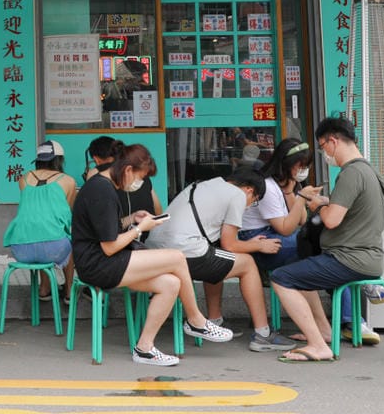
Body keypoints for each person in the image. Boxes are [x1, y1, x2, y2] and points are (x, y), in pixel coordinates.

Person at [72, 143, 233, 367]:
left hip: (106, 260)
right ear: (128, 170)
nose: (138, 184)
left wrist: (132, 220)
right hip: (98, 264)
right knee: (176, 257)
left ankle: (145, 348)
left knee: (170, 283)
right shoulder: (102, 191)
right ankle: (196, 320)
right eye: (140, 177)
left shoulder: (102, 186)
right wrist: (140, 229)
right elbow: (109, 246)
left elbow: (106, 229)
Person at [270, 117, 384, 363]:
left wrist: (316, 205)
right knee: (302, 269)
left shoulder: (350, 173)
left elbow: (333, 220)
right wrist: (327, 202)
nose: (325, 153)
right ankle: (325, 331)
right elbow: (351, 210)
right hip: (368, 257)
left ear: (332, 141)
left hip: (347, 259)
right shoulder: (369, 171)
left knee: (281, 278)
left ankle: (318, 345)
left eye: (323, 146)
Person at [145, 168, 295, 352]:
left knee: (216, 257)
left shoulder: (199, 184)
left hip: (154, 252)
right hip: (186, 252)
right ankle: (263, 335)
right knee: (247, 263)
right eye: (254, 201)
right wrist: (259, 246)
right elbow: (230, 244)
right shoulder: (237, 195)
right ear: (248, 190)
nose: (250, 205)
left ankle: (215, 320)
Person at [3, 139, 77, 301]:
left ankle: (44, 288)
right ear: (59, 160)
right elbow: (68, 215)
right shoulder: (68, 181)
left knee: (39, 230)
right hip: (53, 249)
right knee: (64, 237)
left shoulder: (24, 179)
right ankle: (69, 291)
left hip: (20, 249)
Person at [239, 138, 312, 275]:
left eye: (306, 166)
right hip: (258, 240)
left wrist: (290, 192)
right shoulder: (268, 186)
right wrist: (302, 198)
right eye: (301, 166)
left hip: (271, 235)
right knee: (317, 245)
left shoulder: (287, 183)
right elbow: (285, 229)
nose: (304, 170)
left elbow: (302, 220)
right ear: (287, 164)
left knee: (320, 246)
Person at [83, 136, 163, 238]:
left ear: (96, 159)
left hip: (132, 235)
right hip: (133, 235)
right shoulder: (101, 179)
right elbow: (158, 211)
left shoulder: (95, 174)